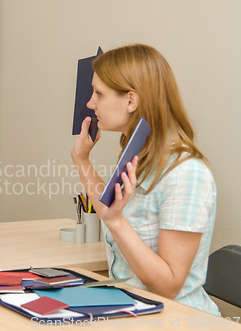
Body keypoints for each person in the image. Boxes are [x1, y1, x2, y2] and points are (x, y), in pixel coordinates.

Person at [71, 44, 219, 315]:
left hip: (176, 318)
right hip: (132, 309)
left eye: (99, 93)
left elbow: (168, 286)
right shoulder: (140, 154)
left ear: (131, 101)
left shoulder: (186, 174)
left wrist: (116, 221)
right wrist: (82, 161)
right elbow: (109, 209)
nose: (91, 104)